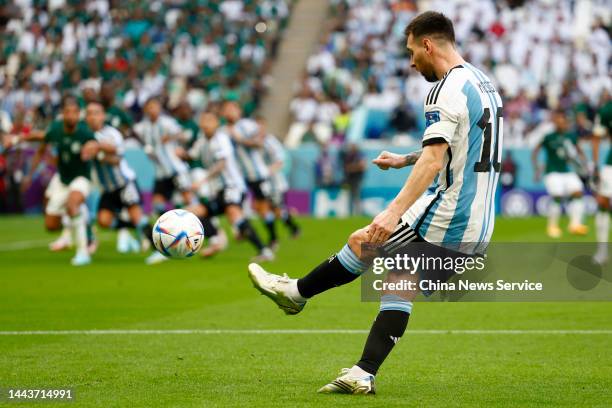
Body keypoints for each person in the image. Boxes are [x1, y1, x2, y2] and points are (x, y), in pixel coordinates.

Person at [248, 11, 504, 394]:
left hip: (450, 214)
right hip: (479, 223)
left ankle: (296, 296)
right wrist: (404, 159)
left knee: (372, 252)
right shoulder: (484, 83)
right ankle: (359, 370)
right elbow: (462, 146)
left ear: (427, 44)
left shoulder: (445, 88)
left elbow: (436, 160)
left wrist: (393, 210)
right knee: (387, 270)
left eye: (411, 51)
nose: (411, 61)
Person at [21, 95, 99, 266]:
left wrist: (90, 149)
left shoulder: (85, 131)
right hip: (63, 180)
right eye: (68, 112)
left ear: (79, 114)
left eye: (75, 112)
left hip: (81, 178)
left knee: (73, 204)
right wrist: (29, 174)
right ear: (63, 114)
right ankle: (82, 218)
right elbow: (42, 144)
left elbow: (94, 144)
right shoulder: (55, 129)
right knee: (51, 225)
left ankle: (83, 252)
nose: (72, 116)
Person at [188, 112, 274, 262]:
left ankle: (264, 251)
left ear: (216, 123)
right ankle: (217, 238)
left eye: (209, 120)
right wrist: (179, 152)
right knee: (194, 213)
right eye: (203, 120)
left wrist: (202, 181)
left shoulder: (221, 139)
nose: (205, 124)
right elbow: (191, 155)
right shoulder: (201, 141)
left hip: (232, 186)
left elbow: (222, 164)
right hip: (217, 190)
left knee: (234, 215)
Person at [83, 100, 161, 265]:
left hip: (124, 183)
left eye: (96, 113)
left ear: (103, 116)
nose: (92, 117)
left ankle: (159, 249)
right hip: (108, 188)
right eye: (89, 113)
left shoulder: (111, 133)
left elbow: (117, 156)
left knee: (137, 216)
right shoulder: (85, 136)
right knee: (104, 221)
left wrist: (98, 150)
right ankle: (134, 229)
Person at [221, 101, 279, 249]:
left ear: (239, 111)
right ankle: (240, 230)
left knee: (262, 208)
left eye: (232, 109)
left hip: (257, 174)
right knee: (235, 206)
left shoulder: (247, 125)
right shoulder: (222, 131)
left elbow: (260, 143)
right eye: (226, 109)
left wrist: (241, 140)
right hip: (239, 178)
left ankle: (273, 238)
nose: (229, 112)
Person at [531, 110, 589, 239]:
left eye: (563, 121)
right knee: (558, 196)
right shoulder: (549, 136)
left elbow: (579, 150)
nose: (561, 123)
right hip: (552, 172)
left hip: (566, 171)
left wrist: (585, 165)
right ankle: (552, 226)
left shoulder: (571, 136)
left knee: (578, 192)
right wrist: (536, 169)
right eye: (559, 121)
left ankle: (575, 225)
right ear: (555, 123)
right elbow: (535, 151)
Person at [133, 97, 192, 214]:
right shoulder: (141, 127)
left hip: (174, 168)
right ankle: (175, 215)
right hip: (157, 171)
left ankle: (204, 222)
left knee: (188, 197)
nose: (152, 110)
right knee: (159, 203)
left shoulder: (167, 122)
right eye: (149, 107)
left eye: (154, 106)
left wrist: (171, 137)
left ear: (159, 108)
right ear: (145, 110)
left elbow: (184, 135)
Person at [257, 116, 301, 239]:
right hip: (262, 183)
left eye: (260, 127)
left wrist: (267, 171)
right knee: (263, 209)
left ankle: (292, 228)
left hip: (274, 183)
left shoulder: (270, 141)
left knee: (277, 211)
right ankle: (274, 237)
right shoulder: (252, 142)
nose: (258, 130)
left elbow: (280, 161)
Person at [592, 90, 611, 265]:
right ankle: (602, 251)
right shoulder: (607, 110)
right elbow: (596, 137)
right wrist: (596, 165)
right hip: (610, 165)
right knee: (603, 203)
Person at [341, 143, 367, 215]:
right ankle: (351, 213)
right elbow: (346, 167)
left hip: (357, 179)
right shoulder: (349, 156)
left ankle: (358, 212)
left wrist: (351, 167)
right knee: (351, 196)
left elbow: (362, 166)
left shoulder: (359, 155)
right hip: (350, 179)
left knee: (356, 196)